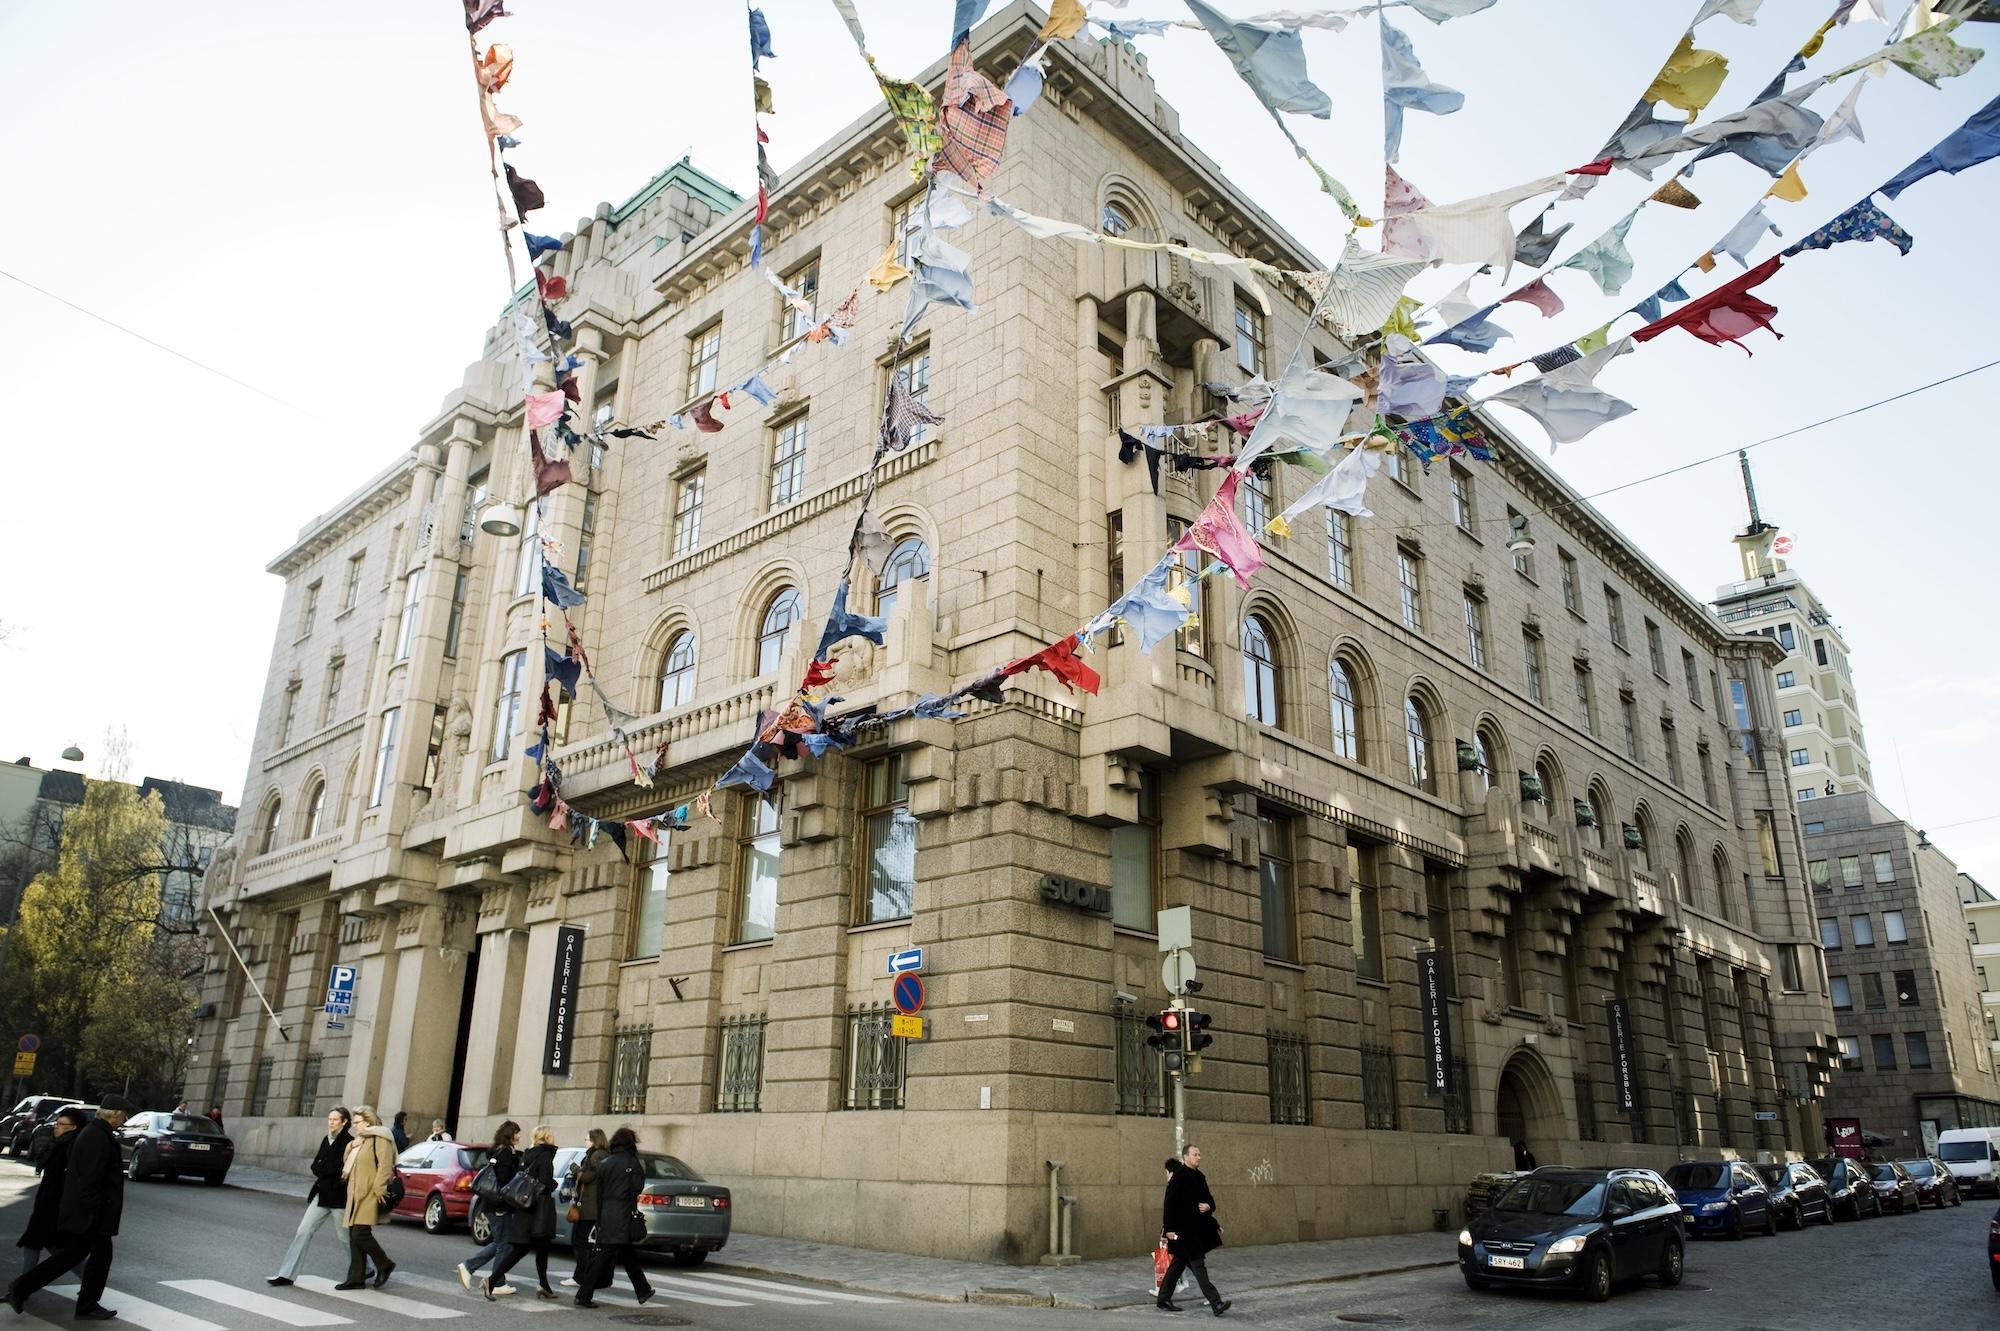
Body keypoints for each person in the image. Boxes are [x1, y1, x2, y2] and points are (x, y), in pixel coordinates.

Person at [8, 1092, 138, 1321]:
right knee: (98, 1258)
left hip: (90, 1213)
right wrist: (93, 1214)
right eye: (124, 1114)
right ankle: (86, 1305)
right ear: (115, 1115)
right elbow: (89, 1180)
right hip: (92, 1215)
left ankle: (21, 1288)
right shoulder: (97, 1137)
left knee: (69, 1256)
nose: (125, 1119)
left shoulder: (97, 1134)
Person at [268, 1107, 354, 1286]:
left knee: (345, 1237)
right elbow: (315, 1166)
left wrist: (324, 1168)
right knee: (303, 1231)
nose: (330, 1122)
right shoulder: (326, 1139)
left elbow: (339, 1170)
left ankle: (365, 1268)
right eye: (329, 1119)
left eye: (335, 1119)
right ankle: (287, 1274)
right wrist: (325, 1169)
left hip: (339, 1197)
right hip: (321, 1194)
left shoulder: (349, 1142)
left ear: (344, 1122)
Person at [575, 1128, 654, 1309]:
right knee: (607, 1255)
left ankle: (643, 1290)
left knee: (626, 1254)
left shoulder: (607, 1162)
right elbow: (636, 1188)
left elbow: (599, 1192)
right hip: (623, 1213)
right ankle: (583, 1295)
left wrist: (600, 1217)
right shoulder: (632, 1162)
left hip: (607, 1213)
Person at [485, 1126, 558, 1300]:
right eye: (552, 1135)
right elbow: (545, 1183)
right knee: (523, 1249)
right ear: (547, 1137)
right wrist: (553, 1185)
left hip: (525, 1207)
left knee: (540, 1248)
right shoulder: (546, 1155)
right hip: (538, 1209)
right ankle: (492, 1280)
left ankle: (544, 1284)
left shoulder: (528, 1154)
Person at [1157, 1144, 1228, 1317]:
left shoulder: (1200, 1177)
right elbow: (1169, 1203)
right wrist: (1168, 1229)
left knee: (1178, 1265)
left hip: (1196, 1230)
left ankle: (1163, 1299)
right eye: (1195, 1154)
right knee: (1198, 1265)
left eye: (1199, 1154)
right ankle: (1216, 1302)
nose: (1199, 1157)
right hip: (1182, 1231)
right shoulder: (1179, 1176)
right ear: (1186, 1157)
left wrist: (1209, 1207)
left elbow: (1210, 1200)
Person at [15, 1107, 86, 1277]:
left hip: (54, 1206)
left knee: (39, 1243)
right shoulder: (59, 1144)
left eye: (62, 1124)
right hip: (48, 1204)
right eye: (57, 1123)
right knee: (53, 1247)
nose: (57, 1126)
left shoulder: (70, 1148)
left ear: (74, 1127)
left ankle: (21, 1288)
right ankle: (90, 1282)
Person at [336, 1105, 398, 1291]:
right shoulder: (361, 1139)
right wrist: (350, 1145)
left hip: (370, 1192)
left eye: (357, 1122)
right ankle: (356, 1278)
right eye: (354, 1123)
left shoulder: (380, 1137)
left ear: (368, 1121)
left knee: (359, 1233)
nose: (355, 1126)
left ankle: (385, 1264)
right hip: (356, 1192)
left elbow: (385, 1164)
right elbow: (347, 1162)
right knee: (354, 1235)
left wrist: (379, 1189)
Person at [457, 1120, 521, 1295]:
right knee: (504, 1245)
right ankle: (497, 1282)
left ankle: (469, 1267)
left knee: (501, 1242)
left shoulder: (499, 1150)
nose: (519, 1136)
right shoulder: (506, 1153)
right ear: (510, 1134)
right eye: (517, 1132)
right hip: (499, 1205)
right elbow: (504, 1180)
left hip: (492, 1204)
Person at [562, 1129, 608, 1289]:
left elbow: (588, 1177)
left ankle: (580, 1276)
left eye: (587, 1139)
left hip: (589, 1205)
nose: (585, 1142)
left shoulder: (597, 1156)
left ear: (595, 1140)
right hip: (589, 1204)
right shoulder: (597, 1155)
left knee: (579, 1240)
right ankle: (584, 1275)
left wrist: (575, 1168)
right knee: (582, 1240)